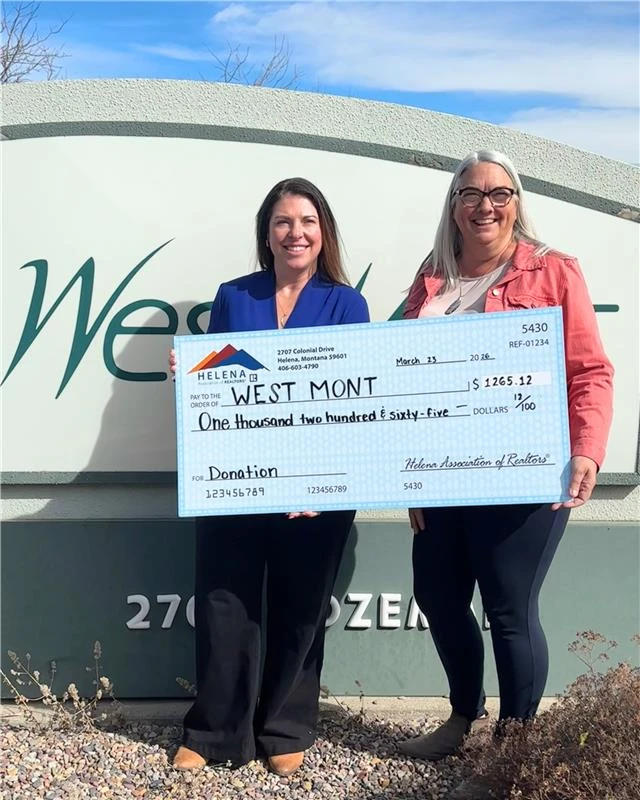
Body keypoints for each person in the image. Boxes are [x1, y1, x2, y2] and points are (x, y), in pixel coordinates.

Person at [397, 151, 613, 798]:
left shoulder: (553, 270)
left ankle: (511, 754)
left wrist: (587, 450)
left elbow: (589, 370)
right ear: (454, 205)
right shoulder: (432, 279)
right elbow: (398, 375)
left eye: (499, 193)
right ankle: (463, 716)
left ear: (516, 202)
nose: (484, 206)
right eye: (470, 193)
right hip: (441, 474)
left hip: (525, 472)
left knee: (508, 610)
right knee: (438, 596)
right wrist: (407, 474)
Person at [169, 178, 369, 777]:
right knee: (224, 604)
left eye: (307, 222)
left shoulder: (346, 304)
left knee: (300, 605)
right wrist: (190, 369)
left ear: (323, 232)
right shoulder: (235, 295)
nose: (295, 233)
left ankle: (284, 727)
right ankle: (214, 731)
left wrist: (323, 481)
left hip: (315, 487)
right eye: (283, 222)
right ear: (266, 234)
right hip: (237, 478)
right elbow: (220, 376)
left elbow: (358, 400)